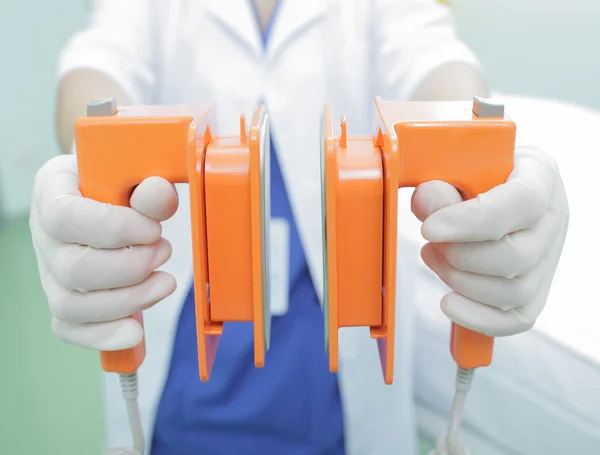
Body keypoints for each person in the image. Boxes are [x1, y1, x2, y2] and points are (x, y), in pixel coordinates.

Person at [29, 0, 569, 454]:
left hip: (333, 387)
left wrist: (478, 151)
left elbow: (432, 57)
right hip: (185, 387)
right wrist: (88, 158)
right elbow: (99, 62)